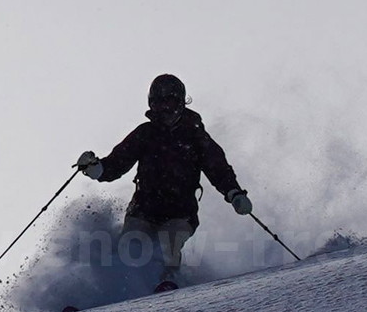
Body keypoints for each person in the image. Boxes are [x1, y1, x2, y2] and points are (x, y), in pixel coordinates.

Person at [77, 74, 252, 292]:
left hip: (180, 212)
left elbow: (218, 169)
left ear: (180, 103)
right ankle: (112, 292)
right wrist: (97, 169)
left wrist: (234, 193)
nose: (165, 110)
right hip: (143, 209)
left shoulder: (195, 136)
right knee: (130, 244)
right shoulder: (146, 133)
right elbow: (118, 162)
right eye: (159, 104)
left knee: (169, 241)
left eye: (169, 102)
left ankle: (170, 282)